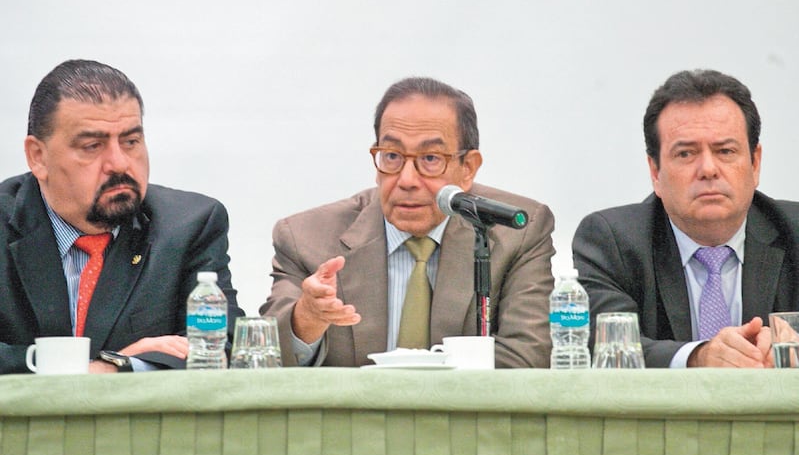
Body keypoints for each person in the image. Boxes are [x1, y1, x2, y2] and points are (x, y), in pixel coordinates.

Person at [261, 76, 555, 368]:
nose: (407, 180)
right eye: (392, 156)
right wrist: (307, 320)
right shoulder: (307, 238)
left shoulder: (517, 232)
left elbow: (526, 358)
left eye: (430, 158)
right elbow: (266, 358)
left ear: (468, 168)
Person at [0, 59, 244, 374]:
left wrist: (120, 367)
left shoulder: (189, 225)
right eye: (92, 146)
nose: (119, 163)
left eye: (131, 142)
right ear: (38, 156)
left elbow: (219, 344)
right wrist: (91, 368)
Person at [573, 69, 799, 368]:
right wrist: (697, 357)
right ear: (655, 172)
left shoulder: (793, 230)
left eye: (725, 151)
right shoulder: (612, 241)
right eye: (686, 154)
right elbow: (607, 345)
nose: (708, 169)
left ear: (755, 163)